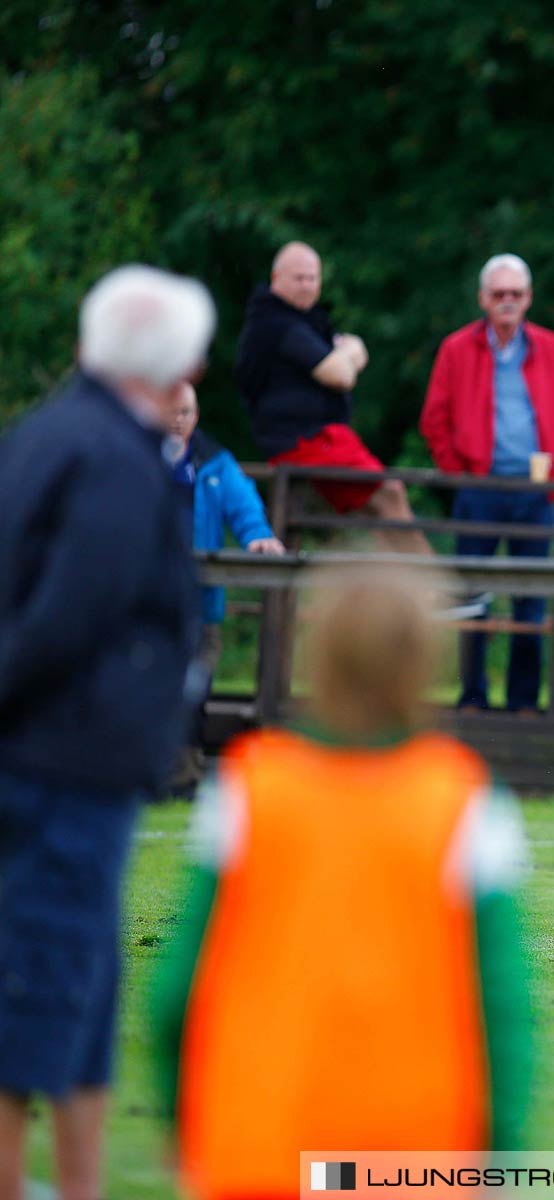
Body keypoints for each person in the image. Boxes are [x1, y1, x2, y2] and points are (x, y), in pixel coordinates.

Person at [149, 563, 534, 1198]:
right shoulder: (466, 800)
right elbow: (502, 1004)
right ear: (424, 663)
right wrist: (503, 1149)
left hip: (259, 1144)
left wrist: (181, 1121)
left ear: (317, 652)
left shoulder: (248, 786)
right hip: (409, 1152)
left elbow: (179, 988)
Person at [0, 265, 211, 1200]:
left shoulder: (51, 433)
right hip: (61, 759)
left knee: (79, 982)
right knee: (37, 982)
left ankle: (77, 1187)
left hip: (70, 757)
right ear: (174, 360)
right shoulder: (110, 459)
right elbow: (66, 618)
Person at [421, 253, 554, 712]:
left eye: (516, 293)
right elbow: (435, 418)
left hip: (535, 493)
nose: (508, 301)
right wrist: (462, 475)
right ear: (483, 298)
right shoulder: (457, 348)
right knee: (471, 599)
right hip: (480, 489)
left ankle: (522, 701)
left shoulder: (550, 347)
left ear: (528, 298)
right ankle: (472, 695)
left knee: (531, 600)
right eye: (499, 294)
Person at [234, 241, 435, 557]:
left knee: (383, 506)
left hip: (323, 439)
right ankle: (439, 593)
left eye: (312, 278)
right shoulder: (275, 322)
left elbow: (351, 358)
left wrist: (346, 355)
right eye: (298, 278)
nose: (307, 285)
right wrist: (348, 352)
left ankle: (414, 597)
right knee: (389, 494)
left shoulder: (302, 321)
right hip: (303, 444)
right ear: (276, 278)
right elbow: (340, 374)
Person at [166, 382, 286, 797]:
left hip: (200, 603)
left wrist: (258, 536)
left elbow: (244, 505)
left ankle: (183, 779)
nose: (177, 420)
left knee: (193, 692)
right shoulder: (133, 455)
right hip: (143, 600)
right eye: (171, 411)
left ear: (197, 415)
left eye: (185, 412)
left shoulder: (215, 463)